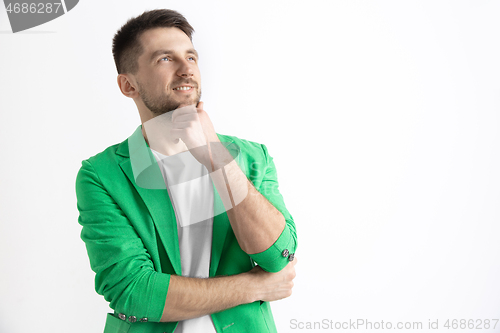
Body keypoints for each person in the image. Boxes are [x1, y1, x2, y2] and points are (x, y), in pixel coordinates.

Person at [75, 9, 297, 333]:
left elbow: (279, 256)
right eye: (165, 59)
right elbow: (133, 292)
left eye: (191, 57)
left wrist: (215, 157)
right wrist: (256, 288)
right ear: (128, 85)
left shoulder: (251, 158)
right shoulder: (102, 175)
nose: (186, 70)